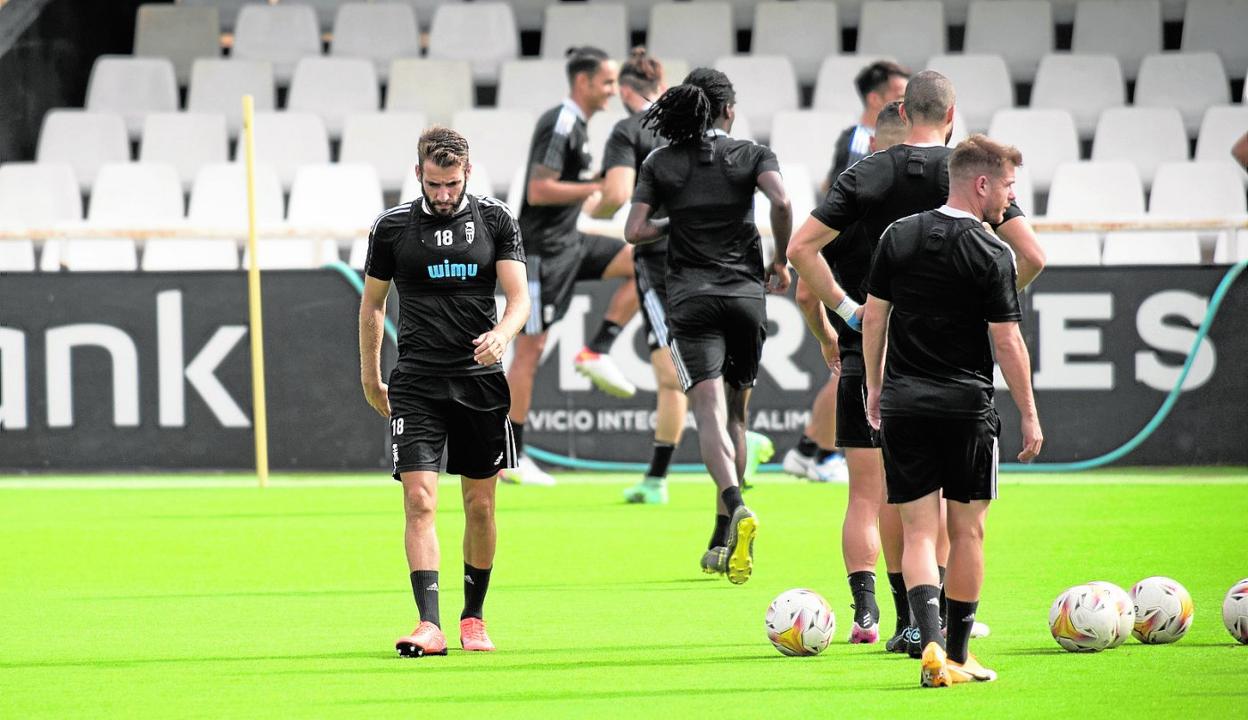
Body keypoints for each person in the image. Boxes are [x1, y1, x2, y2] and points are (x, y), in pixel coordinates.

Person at [787, 70, 1046, 653]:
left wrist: (846, 313)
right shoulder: (970, 173)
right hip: (955, 364)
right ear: (951, 116)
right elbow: (1031, 254)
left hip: (875, 357)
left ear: (898, 119)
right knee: (959, 510)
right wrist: (989, 305)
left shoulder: (864, 176)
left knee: (875, 496)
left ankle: (897, 616)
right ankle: (951, 627)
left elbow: (800, 253)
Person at [861, 133, 1044, 686]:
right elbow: (1008, 342)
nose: (1009, 200)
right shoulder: (992, 252)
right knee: (967, 533)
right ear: (981, 183)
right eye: (1008, 187)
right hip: (967, 409)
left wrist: (873, 387)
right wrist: (1031, 415)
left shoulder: (899, 234)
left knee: (919, 533)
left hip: (905, 404)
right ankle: (960, 656)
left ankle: (931, 646)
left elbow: (874, 318)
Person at [359, 127, 530, 657]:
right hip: (416, 382)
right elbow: (372, 306)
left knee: (480, 505)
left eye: (451, 184)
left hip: (479, 383)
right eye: (433, 184)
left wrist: (502, 334)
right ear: (418, 175)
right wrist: (370, 375)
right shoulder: (391, 229)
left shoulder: (496, 219)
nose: (442, 195)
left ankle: (473, 617)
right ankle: (427, 623)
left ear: (467, 175)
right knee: (418, 499)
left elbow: (520, 298)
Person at [625, 68, 792, 583]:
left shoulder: (661, 162)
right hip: (746, 296)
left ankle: (735, 507)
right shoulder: (751, 154)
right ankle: (722, 538)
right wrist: (780, 260)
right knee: (738, 415)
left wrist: (674, 220)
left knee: (709, 413)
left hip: (691, 299)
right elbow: (783, 202)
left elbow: (634, 231)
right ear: (728, 110)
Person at [791, 101, 907, 643]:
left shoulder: (845, 197)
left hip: (860, 357)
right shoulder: (933, 193)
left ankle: (866, 613)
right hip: (921, 358)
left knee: (864, 493)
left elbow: (803, 287)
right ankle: (923, 613)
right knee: (919, 496)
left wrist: (829, 335)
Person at [504, 46, 640, 487]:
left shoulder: (579, 125)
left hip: (570, 243)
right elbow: (539, 190)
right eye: (605, 83)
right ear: (583, 82)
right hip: (540, 252)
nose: (611, 92)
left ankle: (596, 349)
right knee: (529, 351)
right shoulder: (561, 121)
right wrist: (596, 185)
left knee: (645, 261)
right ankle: (510, 457)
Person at [784, 64, 910, 483]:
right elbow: (850, 198)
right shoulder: (861, 141)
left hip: (842, 254)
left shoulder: (859, 140)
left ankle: (810, 451)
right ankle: (815, 454)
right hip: (849, 258)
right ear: (875, 99)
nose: (904, 98)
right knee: (852, 363)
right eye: (897, 92)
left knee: (846, 364)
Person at [590, 47, 685, 504]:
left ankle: (658, 480)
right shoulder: (688, 125)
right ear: (661, 89)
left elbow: (616, 195)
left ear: (626, 91)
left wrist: (591, 208)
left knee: (672, 374)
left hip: (660, 259)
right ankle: (743, 437)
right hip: (708, 254)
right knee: (711, 362)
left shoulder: (628, 130)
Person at [821, 60, 911, 193]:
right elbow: (844, 197)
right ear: (874, 99)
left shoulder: (908, 135)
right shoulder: (859, 142)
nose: (908, 103)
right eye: (901, 96)